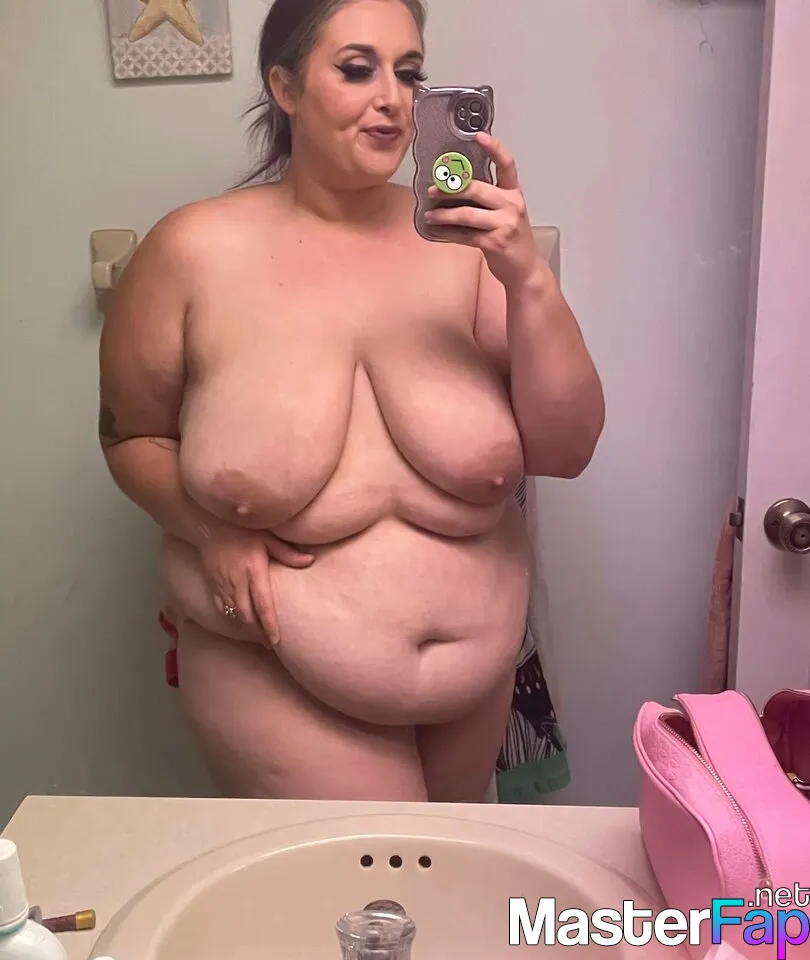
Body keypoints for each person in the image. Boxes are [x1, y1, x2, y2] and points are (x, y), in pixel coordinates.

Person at [98, 0, 604, 803]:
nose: (393, 99)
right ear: (285, 87)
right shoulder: (191, 251)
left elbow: (567, 450)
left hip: (474, 686)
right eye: (357, 69)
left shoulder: (466, 248)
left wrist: (527, 278)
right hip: (274, 672)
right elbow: (130, 437)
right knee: (383, 878)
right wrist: (210, 529)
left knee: (451, 876)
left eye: (410, 73)